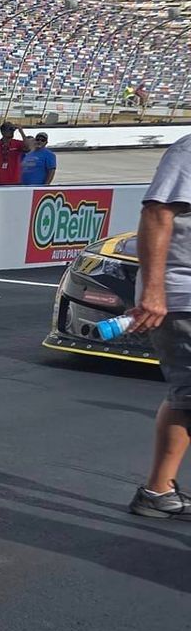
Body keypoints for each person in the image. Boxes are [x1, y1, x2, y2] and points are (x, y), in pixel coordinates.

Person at [128, 132, 191, 520]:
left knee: (186, 395)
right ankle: (155, 491)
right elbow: (156, 214)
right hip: (182, 293)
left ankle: (157, 490)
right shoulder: (188, 151)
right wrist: (153, 292)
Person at [0, 120, 25, 187]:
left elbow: (28, 147)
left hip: (14, 182)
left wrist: (21, 131)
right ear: (2, 132)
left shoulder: (17, 143)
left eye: (13, 130)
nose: (12, 132)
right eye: (10, 129)